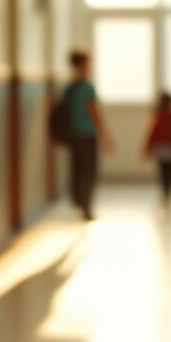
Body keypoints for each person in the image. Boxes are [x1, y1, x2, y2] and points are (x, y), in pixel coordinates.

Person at [57, 50, 113, 221]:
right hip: (87, 134)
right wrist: (105, 134)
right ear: (83, 64)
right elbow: (94, 112)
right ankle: (86, 206)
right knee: (89, 170)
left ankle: (78, 200)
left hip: (73, 135)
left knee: (77, 168)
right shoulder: (87, 87)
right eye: (89, 62)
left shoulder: (69, 88)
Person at [144, 92, 171, 202]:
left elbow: (151, 133)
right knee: (170, 173)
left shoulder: (157, 116)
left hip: (160, 149)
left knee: (163, 172)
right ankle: (168, 192)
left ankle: (165, 192)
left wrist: (147, 148)